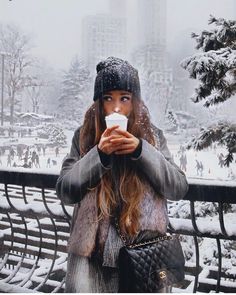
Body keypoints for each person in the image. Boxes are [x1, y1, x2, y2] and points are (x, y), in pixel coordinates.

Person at [56, 57, 188, 293]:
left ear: (135, 102)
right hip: (91, 267)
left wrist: (141, 150)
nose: (116, 108)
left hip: (142, 262)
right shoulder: (84, 136)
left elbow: (177, 187)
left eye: (124, 99)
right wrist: (99, 155)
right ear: (99, 103)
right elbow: (66, 190)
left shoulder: (153, 137)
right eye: (108, 99)